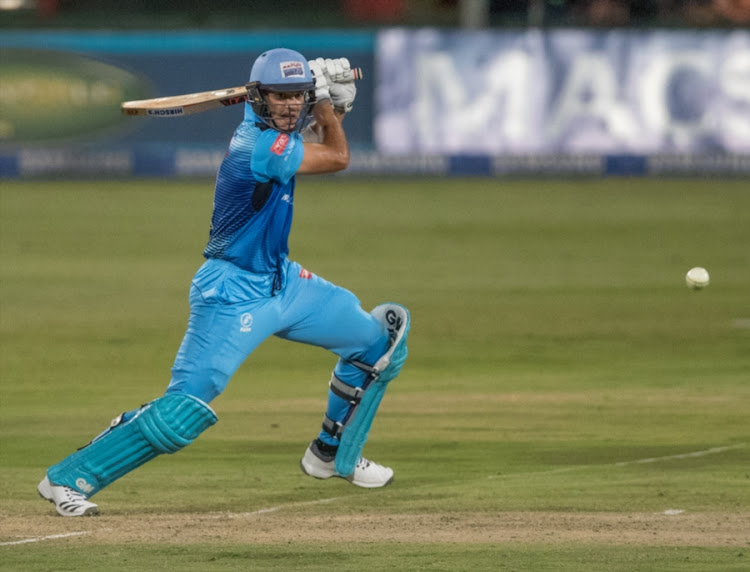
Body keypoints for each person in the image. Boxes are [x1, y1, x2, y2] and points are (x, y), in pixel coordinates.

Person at [37, 48, 410, 517]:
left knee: (378, 342)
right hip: (230, 290)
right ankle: (66, 478)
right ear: (257, 97)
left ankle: (331, 453)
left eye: (297, 96)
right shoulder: (256, 146)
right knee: (183, 413)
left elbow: (309, 139)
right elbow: (337, 157)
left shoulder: (279, 133)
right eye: (281, 96)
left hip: (284, 282)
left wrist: (325, 106)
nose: (291, 105)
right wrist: (327, 109)